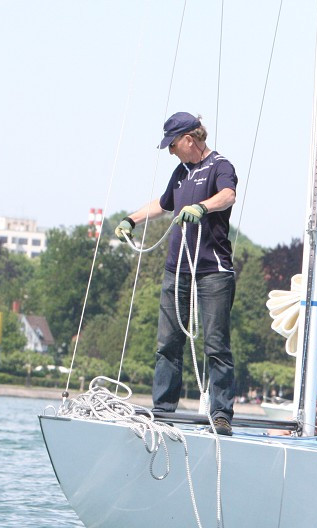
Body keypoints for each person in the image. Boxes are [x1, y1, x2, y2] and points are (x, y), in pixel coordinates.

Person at [114, 112, 238, 436]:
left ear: (188, 139)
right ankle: (162, 412)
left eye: (172, 145)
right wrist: (133, 218)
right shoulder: (180, 172)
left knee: (216, 345)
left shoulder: (220, 166)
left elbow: (228, 196)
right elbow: (163, 203)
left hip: (212, 271)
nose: (171, 152)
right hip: (177, 270)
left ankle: (222, 414)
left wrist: (202, 207)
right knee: (167, 344)